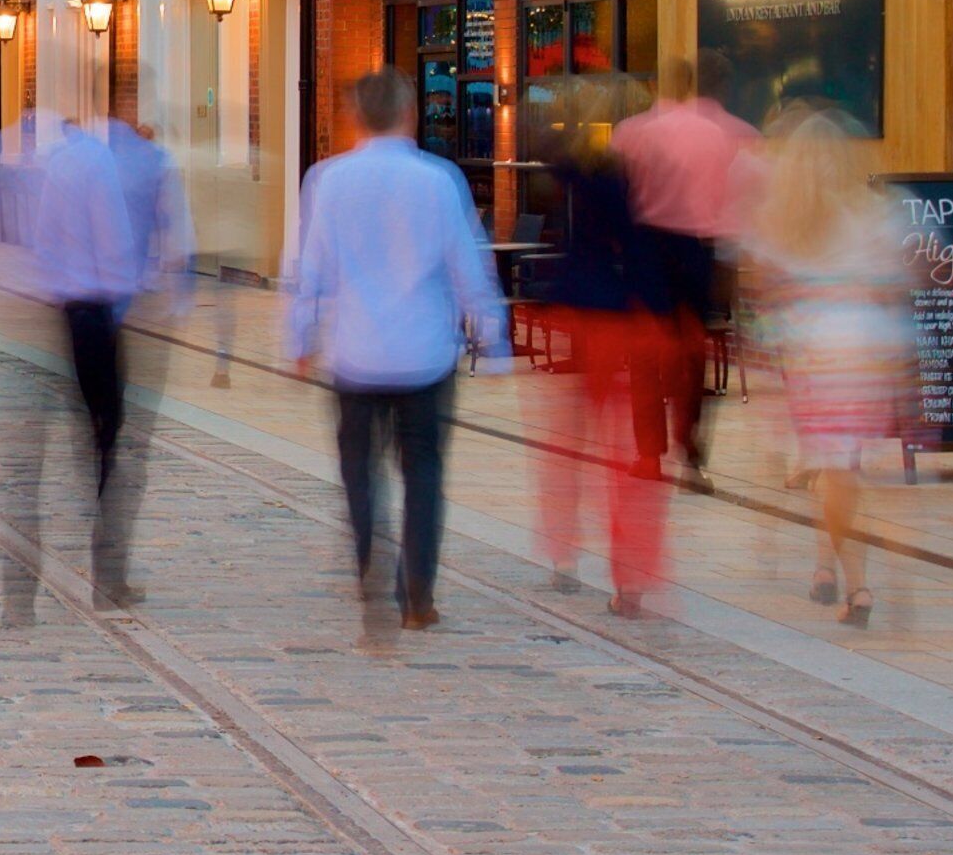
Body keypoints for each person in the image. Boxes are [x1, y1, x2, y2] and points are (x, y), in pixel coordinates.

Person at [284, 68, 507, 636]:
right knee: (424, 475)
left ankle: (370, 574)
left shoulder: (328, 181)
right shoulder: (439, 180)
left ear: (356, 116)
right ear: (409, 113)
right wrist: (493, 338)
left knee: (360, 475)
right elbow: (470, 266)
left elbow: (310, 272)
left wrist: (299, 339)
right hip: (425, 354)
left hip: (355, 355)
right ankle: (417, 594)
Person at [0, 110, 190, 614]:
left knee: (27, 465)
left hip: (46, 315)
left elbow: (42, 241)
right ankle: (108, 575)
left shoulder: (56, 161)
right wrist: (130, 310)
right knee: (107, 445)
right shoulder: (104, 162)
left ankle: (20, 596)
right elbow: (117, 244)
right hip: (94, 316)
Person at [741, 105, 913, 628]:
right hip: (867, 352)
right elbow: (900, 280)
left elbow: (763, 294)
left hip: (816, 356)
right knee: (841, 466)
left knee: (835, 469)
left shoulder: (782, 221)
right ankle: (824, 567)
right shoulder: (872, 213)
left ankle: (856, 583)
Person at [525, 75, 670, 615]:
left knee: (567, 445)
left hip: (584, 312)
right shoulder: (633, 176)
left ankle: (564, 554)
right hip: (625, 312)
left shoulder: (590, 172)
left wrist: (574, 115)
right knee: (618, 454)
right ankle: (628, 577)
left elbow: (545, 150)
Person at [615, 57, 757, 489]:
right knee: (692, 353)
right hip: (696, 247)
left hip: (648, 247)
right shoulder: (717, 136)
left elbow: (621, 193)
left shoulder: (632, 132)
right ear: (692, 87)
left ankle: (648, 454)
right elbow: (724, 196)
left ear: (658, 84)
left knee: (644, 354)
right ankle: (690, 452)